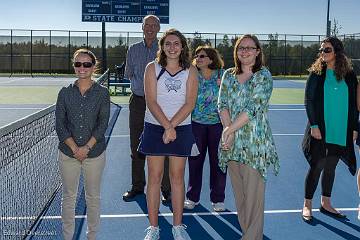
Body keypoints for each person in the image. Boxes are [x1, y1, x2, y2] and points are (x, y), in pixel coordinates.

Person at [138, 28, 198, 240]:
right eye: (168, 44)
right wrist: (166, 126)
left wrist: (172, 127)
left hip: (181, 128)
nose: (172, 47)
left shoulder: (191, 71)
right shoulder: (151, 68)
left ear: (182, 47)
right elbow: (151, 101)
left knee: (177, 178)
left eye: (176, 44)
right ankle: (153, 228)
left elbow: (190, 103)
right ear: (162, 47)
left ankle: (178, 226)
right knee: (154, 177)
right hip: (155, 127)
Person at [218, 34, 279, 240]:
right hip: (231, 144)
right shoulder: (227, 74)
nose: (244, 51)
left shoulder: (264, 76)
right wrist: (229, 131)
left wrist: (229, 131)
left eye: (249, 48)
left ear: (257, 52)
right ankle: (248, 234)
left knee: (253, 198)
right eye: (240, 48)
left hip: (254, 145)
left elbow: (253, 108)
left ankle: (252, 237)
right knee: (241, 198)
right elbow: (222, 105)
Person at [301, 36, 358, 222]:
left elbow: (354, 104)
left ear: (337, 52)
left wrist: (355, 127)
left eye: (327, 49)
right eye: (321, 49)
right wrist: (314, 125)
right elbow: (308, 100)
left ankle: (326, 203)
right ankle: (307, 204)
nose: (323, 53)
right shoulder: (317, 73)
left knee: (331, 166)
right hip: (321, 128)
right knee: (317, 165)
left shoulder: (349, 75)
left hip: (341, 129)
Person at [55, 48, 110, 240]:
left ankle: (92, 237)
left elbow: (103, 124)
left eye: (87, 64)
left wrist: (86, 148)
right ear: (74, 66)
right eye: (78, 64)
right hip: (67, 154)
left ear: (93, 67)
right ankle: (67, 237)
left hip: (94, 154)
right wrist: (74, 149)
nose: (82, 68)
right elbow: (60, 124)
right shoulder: (64, 93)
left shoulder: (102, 93)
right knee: (68, 197)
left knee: (92, 198)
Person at [123, 15, 171, 202]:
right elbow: (129, 74)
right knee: (136, 145)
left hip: (161, 105)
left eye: (154, 25)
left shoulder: (166, 49)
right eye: (147, 25)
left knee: (164, 144)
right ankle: (137, 186)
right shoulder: (132, 49)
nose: (150, 28)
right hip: (138, 102)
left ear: (159, 28)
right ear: (142, 28)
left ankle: (166, 189)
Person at [184, 45, 227, 212]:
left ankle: (218, 199)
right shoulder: (192, 74)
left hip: (218, 125)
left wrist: (223, 85)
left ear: (211, 59)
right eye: (196, 56)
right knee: (195, 162)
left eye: (202, 56)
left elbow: (230, 95)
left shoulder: (222, 75)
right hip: (196, 125)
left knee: (218, 163)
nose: (198, 58)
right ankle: (192, 197)